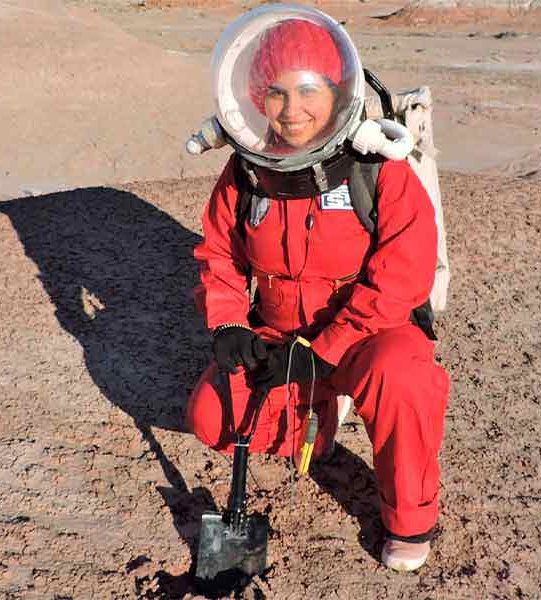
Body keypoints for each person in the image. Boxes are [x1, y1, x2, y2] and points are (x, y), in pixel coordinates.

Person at [186, 5, 450, 573]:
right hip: (280, 331)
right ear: (257, 97)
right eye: (276, 93)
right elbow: (220, 254)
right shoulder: (248, 171)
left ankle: (410, 519)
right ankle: (319, 417)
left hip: (366, 337)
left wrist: (321, 354)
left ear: (336, 90)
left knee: (403, 377)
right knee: (213, 419)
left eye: (308, 90)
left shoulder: (376, 168)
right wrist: (229, 323)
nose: (292, 110)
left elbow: (401, 276)